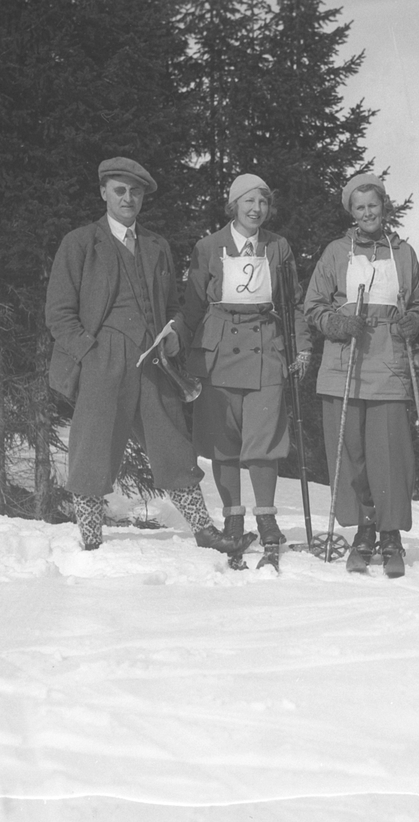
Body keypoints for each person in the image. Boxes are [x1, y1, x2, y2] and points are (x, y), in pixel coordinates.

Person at [46, 157, 247, 555]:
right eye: (120, 190)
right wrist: (88, 352)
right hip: (103, 360)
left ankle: (205, 531)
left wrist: (173, 332)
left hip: (153, 361)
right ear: (104, 192)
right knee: (92, 447)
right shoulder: (81, 242)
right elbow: (58, 312)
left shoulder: (156, 246)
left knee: (173, 442)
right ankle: (89, 536)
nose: (128, 197)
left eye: (135, 191)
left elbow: (173, 305)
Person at [181, 174, 312, 552]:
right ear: (234, 204)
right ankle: (233, 516)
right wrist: (180, 347)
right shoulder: (209, 246)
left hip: (265, 346)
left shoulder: (278, 247)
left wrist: (301, 346)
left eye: (264, 202)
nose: (257, 209)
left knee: (264, 436)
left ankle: (267, 518)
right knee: (223, 439)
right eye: (249, 201)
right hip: (219, 346)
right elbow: (192, 305)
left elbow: (294, 302)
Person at [304, 173, 419, 562]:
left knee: (389, 453)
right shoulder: (337, 251)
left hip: (388, 363)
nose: (368, 212)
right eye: (360, 207)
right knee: (350, 453)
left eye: (373, 204)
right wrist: (336, 323)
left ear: (383, 207)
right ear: (351, 212)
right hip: (345, 362)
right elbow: (314, 305)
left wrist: (414, 321)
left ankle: (389, 531)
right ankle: (364, 527)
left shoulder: (402, 252)